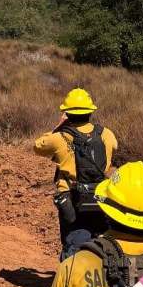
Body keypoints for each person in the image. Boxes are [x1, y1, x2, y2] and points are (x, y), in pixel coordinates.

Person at [33, 88, 118, 255]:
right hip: (99, 195)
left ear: (67, 113)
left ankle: (73, 268)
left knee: (74, 241)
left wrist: (59, 126)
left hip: (71, 197)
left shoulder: (59, 137)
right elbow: (115, 146)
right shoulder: (106, 134)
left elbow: (37, 146)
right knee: (101, 241)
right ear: (90, 112)